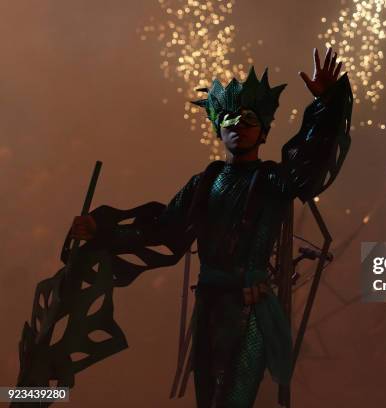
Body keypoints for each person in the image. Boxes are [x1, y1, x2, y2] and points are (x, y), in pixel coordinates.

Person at [70, 47, 353, 407]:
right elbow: (162, 229)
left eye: (249, 118)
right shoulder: (207, 180)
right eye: (230, 117)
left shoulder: (272, 179)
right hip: (209, 308)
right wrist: (101, 231)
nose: (238, 124)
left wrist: (326, 105)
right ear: (218, 127)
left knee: (232, 400)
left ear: (263, 132)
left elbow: (310, 160)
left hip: (249, 309)